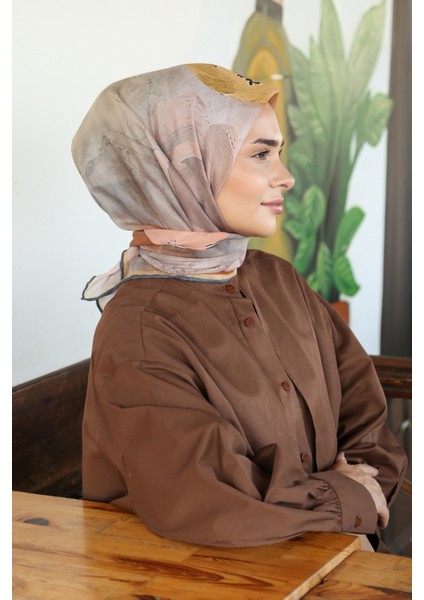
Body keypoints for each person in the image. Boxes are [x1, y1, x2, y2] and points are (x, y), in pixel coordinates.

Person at [72, 63, 407, 550]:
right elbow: (207, 497)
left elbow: (363, 411)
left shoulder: (277, 279)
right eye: (260, 154)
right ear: (183, 170)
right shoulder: (141, 327)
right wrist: (343, 496)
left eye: (279, 153)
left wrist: (362, 488)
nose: (286, 178)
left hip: (336, 557)